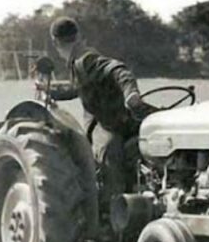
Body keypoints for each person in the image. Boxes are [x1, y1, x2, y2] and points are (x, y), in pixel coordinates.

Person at [38, 17, 155, 213]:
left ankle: (117, 209)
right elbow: (79, 89)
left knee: (109, 147)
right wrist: (51, 92)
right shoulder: (78, 60)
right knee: (108, 148)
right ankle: (110, 213)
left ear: (56, 43)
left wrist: (131, 94)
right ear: (78, 37)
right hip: (112, 122)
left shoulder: (86, 60)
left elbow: (118, 70)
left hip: (111, 122)